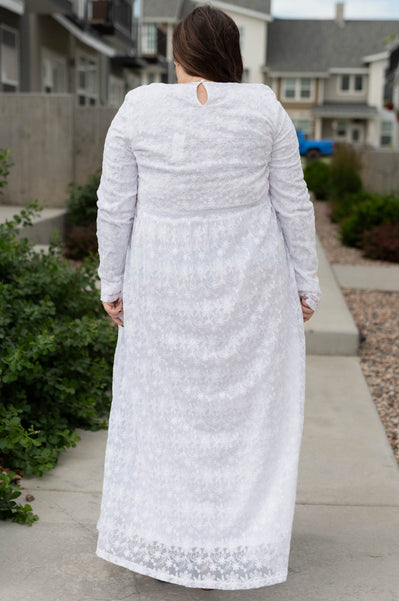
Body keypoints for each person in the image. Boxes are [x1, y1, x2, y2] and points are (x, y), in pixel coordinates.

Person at [95, 4, 321, 592]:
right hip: (251, 282)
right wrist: (305, 281)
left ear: (178, 52)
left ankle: (167, 536)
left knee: (164, 413)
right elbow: (293, 203)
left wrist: (110, 281)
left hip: (163, 281)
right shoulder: (265, 107)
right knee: (246, 417)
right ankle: (238, 539)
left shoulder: (139, 108)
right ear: (232, 54)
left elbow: (115, 205)